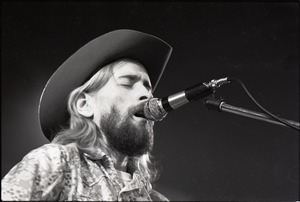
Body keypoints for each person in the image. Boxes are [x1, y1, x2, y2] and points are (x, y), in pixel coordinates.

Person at [1, 29, 172, 201]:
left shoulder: (155, 199)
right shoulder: (53, 163)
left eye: (147, 87)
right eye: (128, 83)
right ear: (84, 105)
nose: (147, 95)